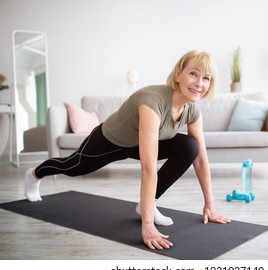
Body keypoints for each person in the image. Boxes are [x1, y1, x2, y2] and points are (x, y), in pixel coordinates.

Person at [24, 50, 231, 250]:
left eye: (206, 78)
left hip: (138, 144)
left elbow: (201, 160)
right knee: (72, 166)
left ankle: (146, 205)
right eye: (193, 74)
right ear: (178, 74)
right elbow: (148, 168)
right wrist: (147, 225)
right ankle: (35, 174)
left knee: (190, 147)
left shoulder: (192, 109)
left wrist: (210, 205)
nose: (199, 83)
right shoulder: (153, 101)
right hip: (110, 141)